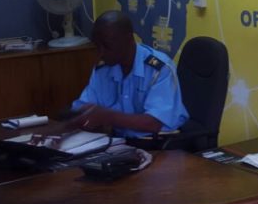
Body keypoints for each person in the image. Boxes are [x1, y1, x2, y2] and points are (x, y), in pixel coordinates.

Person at [69, 10, 188, 138]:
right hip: (121, 144)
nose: (101, 53)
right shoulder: (102, 69)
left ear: (129, 39)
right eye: (97, 46)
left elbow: (154, 123)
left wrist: (107, 116)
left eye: (107, 46)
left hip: (161, 144)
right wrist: (67, 123)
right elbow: (82, 109)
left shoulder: (159, 69)